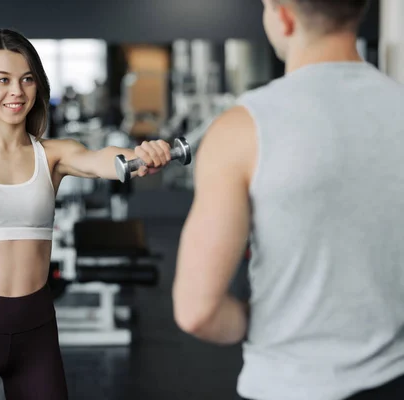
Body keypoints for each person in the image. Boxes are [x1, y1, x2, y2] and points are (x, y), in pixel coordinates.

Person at [0, 28, 172, 400]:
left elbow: (104, 159)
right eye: (3, 80)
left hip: (36, 330)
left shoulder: (53, 154)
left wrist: (143, 155)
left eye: (27, 79)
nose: (17, 91)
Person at [172, 1, 404, 400]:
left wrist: (260, 319)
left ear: (283, 16)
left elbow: (198, 312)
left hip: (289, 385)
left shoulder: (240, 129)